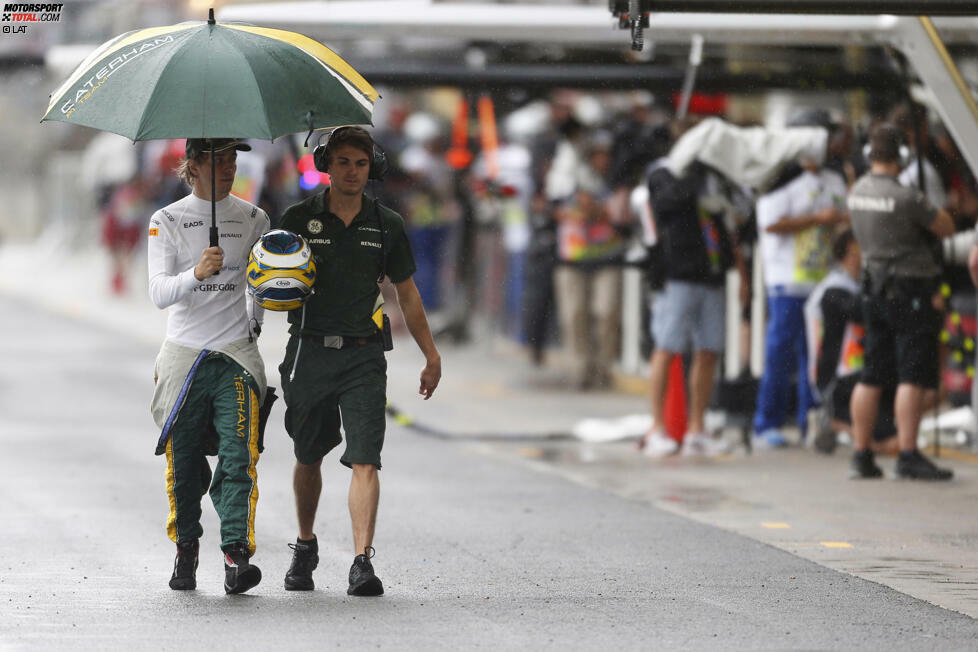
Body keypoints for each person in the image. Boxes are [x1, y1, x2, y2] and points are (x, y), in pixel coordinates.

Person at [277, 126, 441, 596]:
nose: (352, 172)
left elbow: (406, 292)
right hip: (308, 351)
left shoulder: (386, 223)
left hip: (365, 355)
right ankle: (305, 545)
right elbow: (265, 281)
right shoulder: (295, 217)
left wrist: (430, 354)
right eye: (344, 162)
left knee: (366, 458)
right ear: (326, 165)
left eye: (361, 163)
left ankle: (361, 561)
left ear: (373, 169)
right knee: (308, 455)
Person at [147, 138, 271, 593]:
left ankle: (236, 556)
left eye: (233, 159)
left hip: (235, 353)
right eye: (216, 160)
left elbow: (258, 285)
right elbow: (158, 292)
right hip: (184, 354)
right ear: (192, 166)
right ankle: (186, 547)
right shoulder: (166, 220)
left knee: (241, 455)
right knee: (184, 463)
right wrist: (195, 273)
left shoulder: (255, 218)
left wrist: (257, 321)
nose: (227, 168)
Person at [847, 124, 956, 480]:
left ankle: (861, 454)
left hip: (873, 289)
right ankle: (908, 453)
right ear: (902, 156)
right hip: (910, 292)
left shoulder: (856, 191)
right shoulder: (906, 197)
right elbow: (946, 227)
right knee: (912, 373)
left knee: (872, 373)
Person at [752, 110, 849, 447]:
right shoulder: (779, 179)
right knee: (781, 352)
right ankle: (767, 422)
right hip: (787, 281)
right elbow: (770, 223)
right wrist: (814, 219)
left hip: (823, 282)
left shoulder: (835, 180)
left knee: (818, 357)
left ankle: (814, 423)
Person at [640, 160, 746, 457]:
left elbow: (731, 219)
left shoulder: (714, 177)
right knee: (667, 346)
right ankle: (656, 428)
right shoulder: (664, 175)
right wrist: (694, 176)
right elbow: (667, 203)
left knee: (709, 349)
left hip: (710, 275)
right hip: (677, 277)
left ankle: (696, 430)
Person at [804, 229, 898, 455]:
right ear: (850, 248)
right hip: (838, 383)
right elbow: (861, 311)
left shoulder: (854, 285)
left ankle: (841, 426)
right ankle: (832, 422)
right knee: (887, 444)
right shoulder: (833, 289)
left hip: (861, 376)